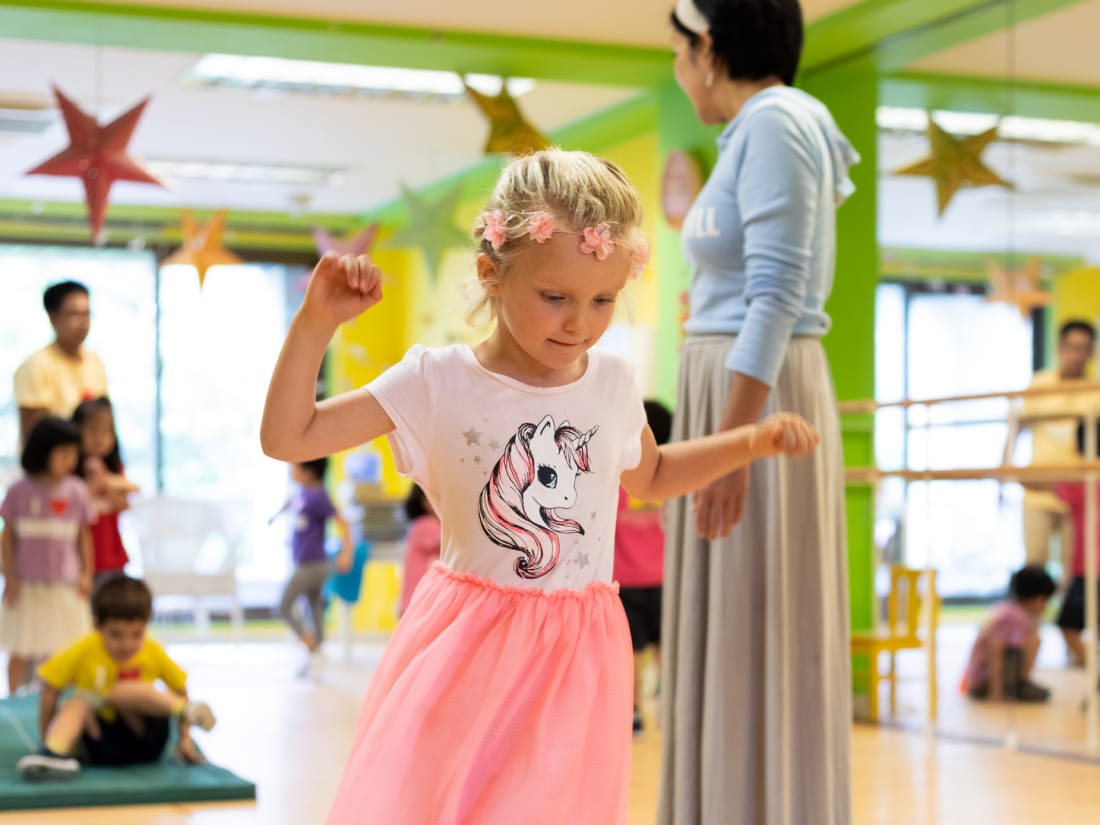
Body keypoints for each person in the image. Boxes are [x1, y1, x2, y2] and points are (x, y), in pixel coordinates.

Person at [259, 147, 821, 824]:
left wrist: (750, 442)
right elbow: (289, 438)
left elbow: (656, 474)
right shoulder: (436, 380)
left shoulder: (611, 381)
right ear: (491, 273)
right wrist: (315, 325)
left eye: (603, 299)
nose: (580, 322)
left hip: (579, 654)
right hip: (471, 649)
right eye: (555, 297)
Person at [660, 2, 859, 824]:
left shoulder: (778, 120)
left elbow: (776, 293)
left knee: (757, 622)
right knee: (733, 623)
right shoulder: (753, 131)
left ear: (708, 48)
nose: (677, 71)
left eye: (677, 53)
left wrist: (734, 446)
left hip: (756, 398)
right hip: (734, 391)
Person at [15, 575, 217, 781]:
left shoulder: (152, 650)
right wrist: (48, 737)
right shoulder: (83, 649)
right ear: (97, 625)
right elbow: (50, 687)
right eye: (116, 635)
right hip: (103, 745)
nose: (127, 644)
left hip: (147, 738)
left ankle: (186, 709)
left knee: (130, 690)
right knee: (77, 701)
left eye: (136, 634)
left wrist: (185, 739)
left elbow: (179, 687)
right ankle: (53, 754)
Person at [0, 417, 94, 694]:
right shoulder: (19, 491)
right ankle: (13, 698)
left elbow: (83, 536)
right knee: (21, 645)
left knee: (58, 648)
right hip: (27, 585)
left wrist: (87, 573)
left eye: (73, 453)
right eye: (63, 452)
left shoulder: (76, 490)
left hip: (65, 583)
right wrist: (10, 577)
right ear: (43, 451)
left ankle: (48, 698)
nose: (70, 459)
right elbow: (8, 538)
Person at [1005, 319, 1098, 566]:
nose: (1076, 355)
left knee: (1075, 568)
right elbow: (1017, 427)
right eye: (1071, 347)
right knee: (1034, 564)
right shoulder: (1040, 385)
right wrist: (1006, 466)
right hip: (1038, 488)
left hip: (1077, 493)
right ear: (1060, 347)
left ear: (1091, 352)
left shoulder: (1095, 391)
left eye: (1083, 348)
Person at [613, 399, 673, 735]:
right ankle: (667, 702)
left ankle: (634, 711)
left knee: (632, 653)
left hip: (627, 581)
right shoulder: (667, 484)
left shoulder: (620, 479)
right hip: (659, 580)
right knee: (665, 646)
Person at [274, 457, 352, 678]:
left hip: (313, 565)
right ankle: (315, 655)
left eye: (295, 465)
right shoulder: (302, 493)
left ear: (308, 472)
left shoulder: (319, 496)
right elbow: (292, 505)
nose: (291, 469)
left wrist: (346, 552)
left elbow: (343, 522)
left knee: (283, 605)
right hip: (305, 562)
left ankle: (312, 648)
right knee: (314, 609)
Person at [13, 281, 108, 449]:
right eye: (74, 314)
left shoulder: (95, 362)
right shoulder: (36, 365)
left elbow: (105, 421)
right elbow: (35, 435)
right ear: (53, 316)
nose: (83, 322)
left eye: (87, 314)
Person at [963, 564, 1056, 702]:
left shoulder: (1009, 610)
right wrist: (996, 692)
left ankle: (1018, 685)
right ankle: (1018, 686)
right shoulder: (1015, 617)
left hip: (977, 681)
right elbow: (995, 648)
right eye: (1044, 601)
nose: (1045, 606)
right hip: (985, 683)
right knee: (1032, 641)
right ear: (1036, 599)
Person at [72, 397, 139, 588]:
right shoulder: (71, 474)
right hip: (79, 559)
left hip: (112, 556)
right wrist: (92, 483)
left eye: (106, 431)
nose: (100, 438)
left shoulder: (116, 469)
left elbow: (127, 500)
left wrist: (104, 479)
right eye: (92, 430)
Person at [1053, 420, 1100, 667]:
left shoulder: (1081, 480)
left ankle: (1093, 670)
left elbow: (1037, 481)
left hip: (1088, 567)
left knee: (1068, 625)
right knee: (1068, 624)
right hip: (1087, 567)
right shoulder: (1082, 480)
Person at [397, 483, 441, 617]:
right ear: (426, 502)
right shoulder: (426, 524)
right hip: (417, 605)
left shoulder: (420, 525)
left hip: (415, 604)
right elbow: (456, 542)